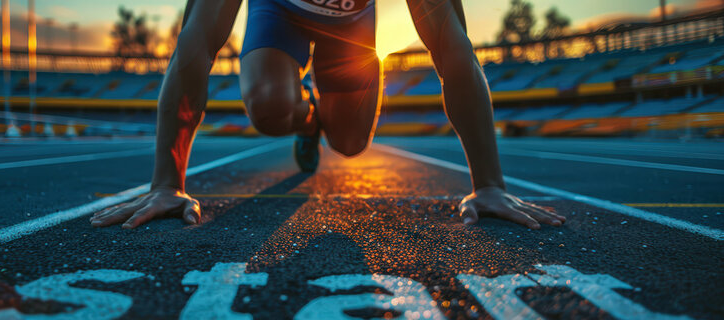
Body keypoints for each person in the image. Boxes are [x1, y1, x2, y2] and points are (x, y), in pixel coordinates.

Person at [90, 0, 566, 230]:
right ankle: (305, 118)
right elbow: (195, 46)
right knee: (270, 109)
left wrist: (489, 185)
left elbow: (452, 48)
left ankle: (325, 121)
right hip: (277, 12)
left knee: (351, 143)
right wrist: (166, 184)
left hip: (351, 29)